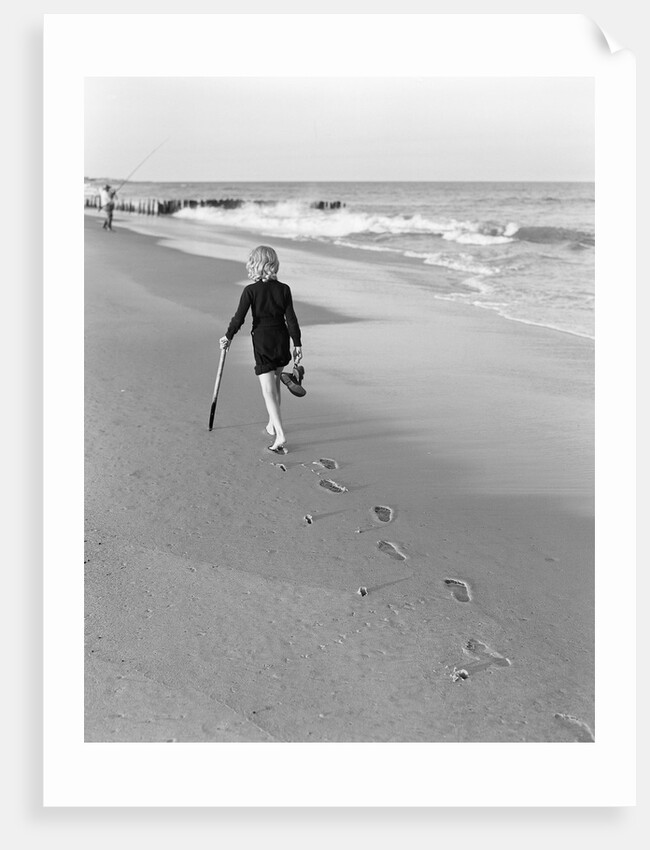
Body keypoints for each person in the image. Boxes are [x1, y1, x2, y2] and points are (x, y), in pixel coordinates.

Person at [219, 246, 302, 454]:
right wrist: (297, 344)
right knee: (275, 383)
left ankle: (280, 434)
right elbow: (291, 319)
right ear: (273, 264)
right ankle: (272, 425)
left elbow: (239, 318)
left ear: (254, 264)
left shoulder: (251, 291)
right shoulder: (284, 289)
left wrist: (228, 336)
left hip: (263, 341)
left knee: (268, 390)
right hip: (281, 339)